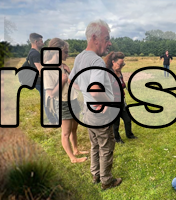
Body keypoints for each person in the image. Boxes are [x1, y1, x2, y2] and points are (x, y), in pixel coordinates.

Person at [71, 20, 122, 190]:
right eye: (107, 38)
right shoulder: (97, 62)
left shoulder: (79, 58)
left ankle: (95, 175)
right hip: (100, 113)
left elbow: (73, 81)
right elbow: (95, 90)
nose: (109, 43)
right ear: (94, 38)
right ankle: (106, 181)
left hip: (88, 111)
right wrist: (108, 102)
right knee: (106, 146)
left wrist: (88, 96)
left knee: (94, 144)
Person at [43, 38, 88, 163]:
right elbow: (50, 93)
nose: (68, 55)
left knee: (74, 128)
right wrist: (62, 81)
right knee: (66, 133)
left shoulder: (62, 66)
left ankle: (76, 150)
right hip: (62, 103)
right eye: (66, 52)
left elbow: (71, 83)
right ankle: (73, 158)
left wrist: (69, 73)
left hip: (72, 100)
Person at [105, 52, 135, 143]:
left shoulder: (119, 72)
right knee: (116, 122)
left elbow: (122, 84)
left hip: (122, 100)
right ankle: (117, 139)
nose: (121, 66)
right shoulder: (108, 73)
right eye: (120, 64)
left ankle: (129, 135)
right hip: (113, 101)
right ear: (113, 62)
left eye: (123, 64)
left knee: (127, 119)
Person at [22, 33, 52, 121]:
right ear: (36, 42)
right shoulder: (35, 53)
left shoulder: (31, 52)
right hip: (39, 81)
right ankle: (51, 120)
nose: (43, 44)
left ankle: (51, 118)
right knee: (46, 100)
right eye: (41, 42)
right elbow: (40, 69)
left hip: (36, 81)